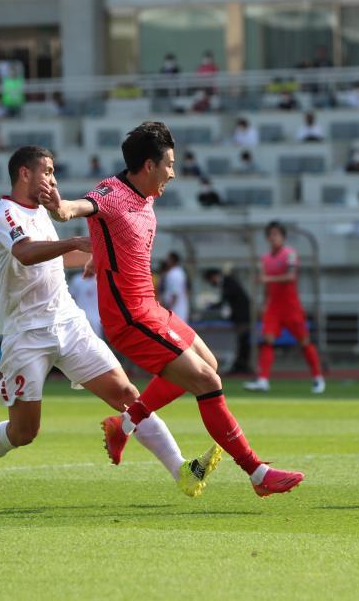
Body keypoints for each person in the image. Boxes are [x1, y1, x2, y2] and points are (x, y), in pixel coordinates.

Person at [41, 121, 305, 497]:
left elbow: (114, 235)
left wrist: (99, 255)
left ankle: (124, 425)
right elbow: (78, 209)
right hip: (129, 318)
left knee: (209, 364)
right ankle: (257, 473)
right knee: (207, 382)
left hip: (150, 307)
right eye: (169, 164)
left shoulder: (145, 196)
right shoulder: (111, 193)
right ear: (148, 165)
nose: (173, 173)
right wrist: (59, 208)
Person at [0, 146, 204, 503]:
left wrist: (97, 255)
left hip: (68, 322)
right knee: (25, 431)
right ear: (25, 173)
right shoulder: (6, 215)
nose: (53, 179)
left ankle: (180, 469)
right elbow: (27, 253)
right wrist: (76, 242)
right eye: (47, 171)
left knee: (126, 395)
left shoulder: (42, 211)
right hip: (26, 333)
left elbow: (57, 257)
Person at [244, 221, 325, 395]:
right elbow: (266, 286)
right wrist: (265, 304)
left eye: (276, 234)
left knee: (304, 341)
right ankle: (263, 380)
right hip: (273, 306)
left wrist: (267, 279)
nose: (273, 238)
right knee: (267, 340)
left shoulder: (290, 254)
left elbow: (291, 276)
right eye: (270, 234)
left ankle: (318, 377)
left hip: (291, 306)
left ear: (283, 237)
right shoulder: (265, 259)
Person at [204, 268, 253, 376]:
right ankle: (241, 364)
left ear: (214, 276)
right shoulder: (227, 282)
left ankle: (242, 365)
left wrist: (212, 306)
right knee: (242, 340)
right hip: (240, 316)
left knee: (243, 340)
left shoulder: (228, 282)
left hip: (242, 316)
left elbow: (226, 299)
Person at [68, 267, 102, 338]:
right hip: (79, 317)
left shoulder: (100, 280)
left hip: (96, 319)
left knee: (96, 339)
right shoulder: (76, 280)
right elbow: (70, 298)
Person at [162, 252, 190, 323]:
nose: (166, 261)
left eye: (168, 259)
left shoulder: (174, 274)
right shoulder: (179, 272)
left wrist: (167, 308)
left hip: (175, 309)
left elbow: (175, 294)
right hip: (179, 307)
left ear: (172, 260)